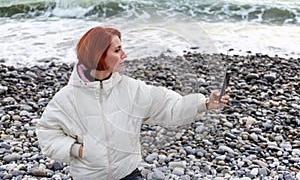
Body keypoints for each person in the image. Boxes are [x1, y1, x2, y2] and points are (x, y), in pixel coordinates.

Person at [36, 26, 230, 180]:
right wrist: (77, 150)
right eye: (117, 50)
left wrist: (204, 104)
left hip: (128, 174)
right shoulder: (67, 98)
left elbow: (170, 107)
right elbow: (47, 133)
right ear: (99, 55)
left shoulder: (132, 89)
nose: (124, 55)